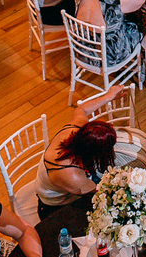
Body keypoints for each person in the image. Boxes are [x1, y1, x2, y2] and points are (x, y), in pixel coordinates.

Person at [34, 89, 123, 220]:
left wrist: (108, 96)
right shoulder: (72, 175)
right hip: (56, 204)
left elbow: (81, 110)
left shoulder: (76, 131)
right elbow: (100, 191)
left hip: (74, 183)